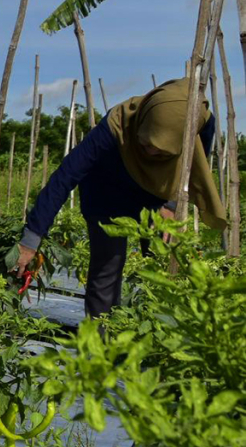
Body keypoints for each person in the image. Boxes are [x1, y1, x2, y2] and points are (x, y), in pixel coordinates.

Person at [14, 77, 226, 317]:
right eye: (145, 143)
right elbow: (65, 177)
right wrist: (31, 239)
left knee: (163, 269)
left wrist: (172, 202)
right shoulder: (117, 125)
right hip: (107, 194)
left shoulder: (199, 123)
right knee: (106, 270)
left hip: (158, 193)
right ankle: (100, 345)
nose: (150, 152)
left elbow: (194, 165)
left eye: (160, 150)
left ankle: (155, 341)